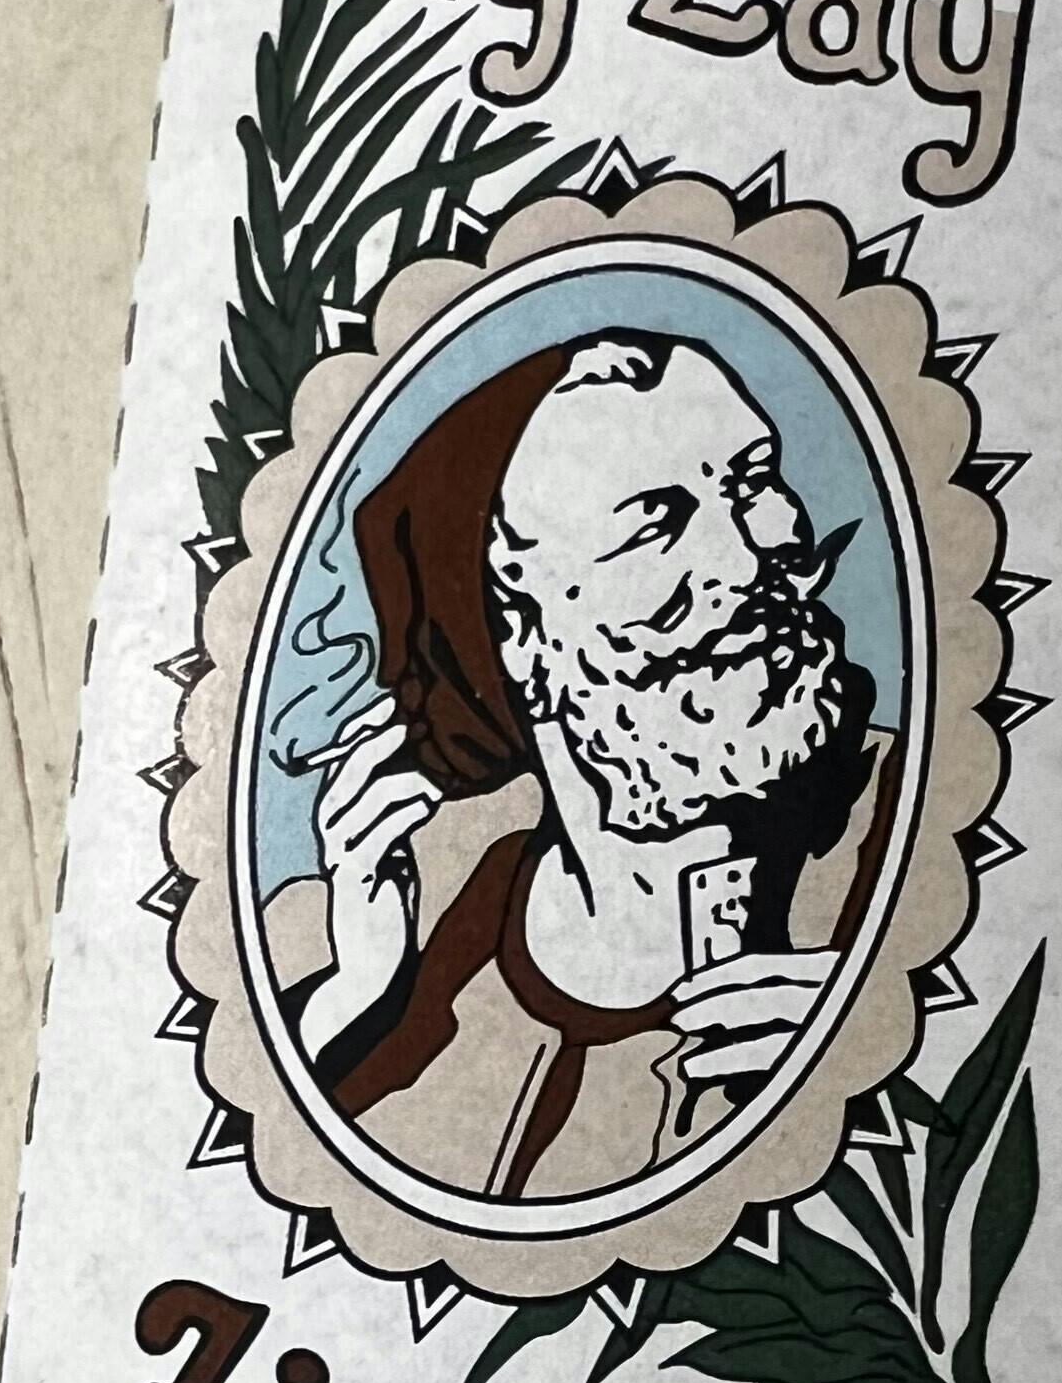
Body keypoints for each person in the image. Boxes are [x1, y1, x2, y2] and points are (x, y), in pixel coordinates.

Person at [266, 329, 899, 1202]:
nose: (754, 555)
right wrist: (358, 1000)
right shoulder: (425, 919)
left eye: (752, 482)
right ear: (514, 632)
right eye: (657, 524)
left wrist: (883, 1049)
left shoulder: (908, 828)